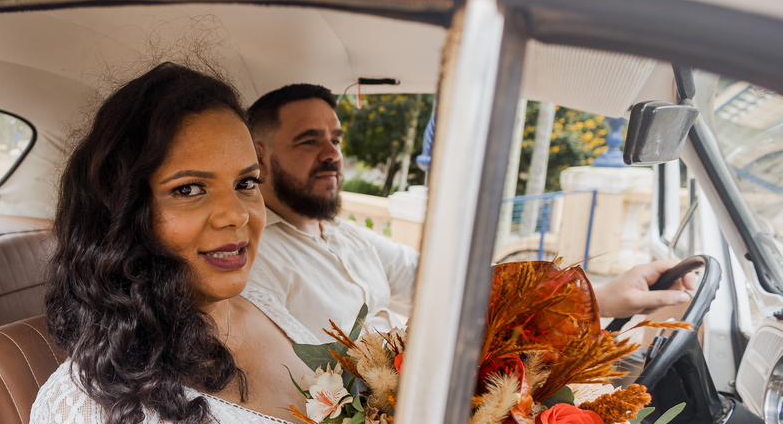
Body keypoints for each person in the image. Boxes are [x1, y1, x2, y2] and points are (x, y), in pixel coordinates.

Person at [28, 62, 672, 424]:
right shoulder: (95, 413)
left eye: (246, 183)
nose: (235, 216)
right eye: (190, 189)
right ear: (125, 211)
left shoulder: (266, 317)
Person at [244, 83, 696, 338]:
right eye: (309, 141)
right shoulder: (254, 259)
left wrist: (600, 295)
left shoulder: (343, 234)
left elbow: (448, 286)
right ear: (260, 158)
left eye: (336, 140)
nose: (332, 155)